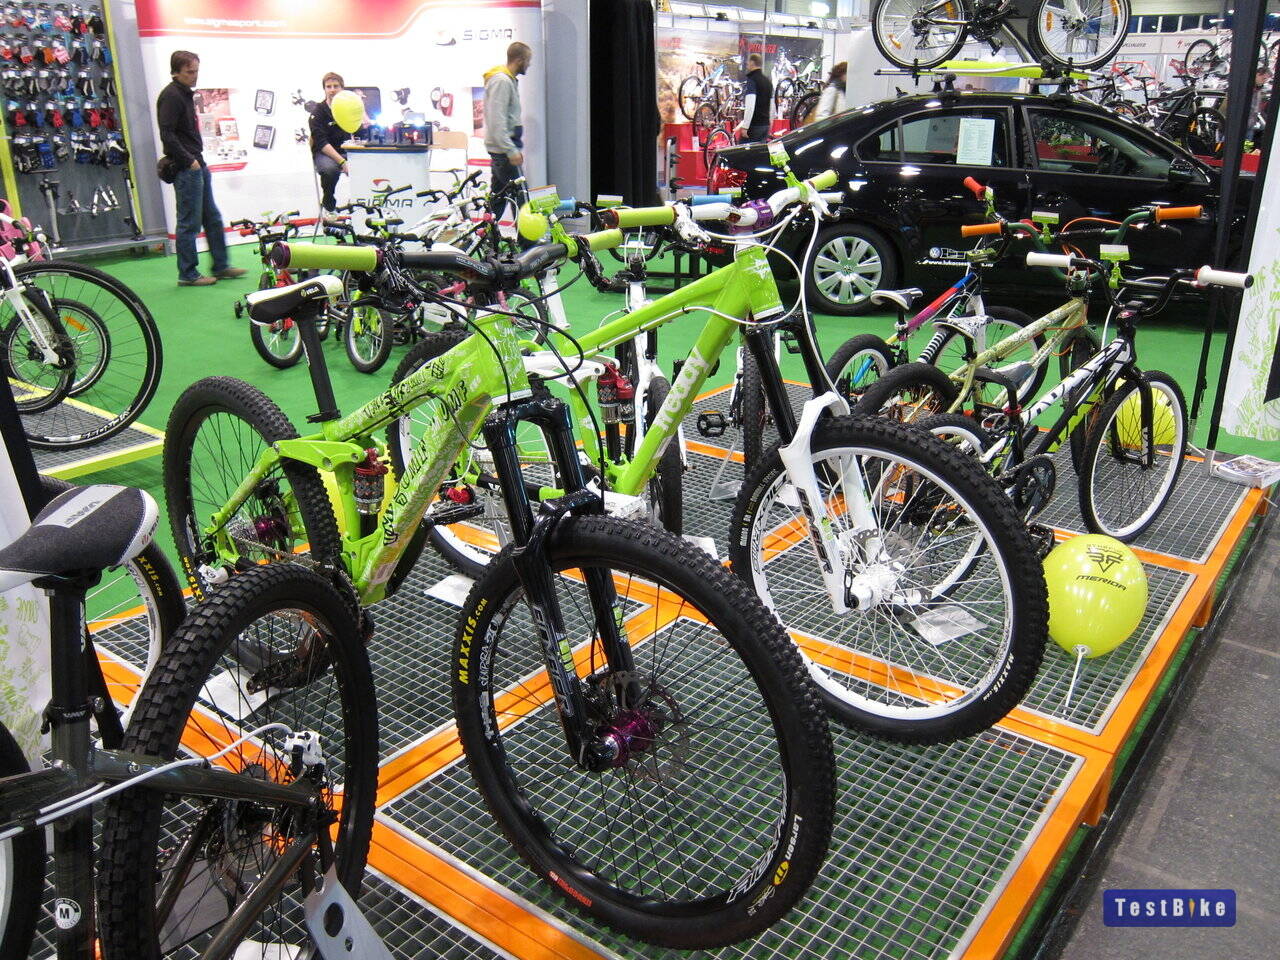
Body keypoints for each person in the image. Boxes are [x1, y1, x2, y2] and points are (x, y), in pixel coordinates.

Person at [155, 50, 245, 287]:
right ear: (176, 72)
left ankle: (221, 266)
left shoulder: (184, 94)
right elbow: (167, 134)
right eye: (189, 72)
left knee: (212, 218)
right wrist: (189, 161)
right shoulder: (171, 96)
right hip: (187, 167)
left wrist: (196, 162)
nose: (194, 76)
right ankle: (188, 274)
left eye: (196, 71)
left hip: (197, 164)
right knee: (189, 223)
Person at [483, 41, 532, 215]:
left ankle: (488, 230)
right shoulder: (502, 81)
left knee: (498, 198)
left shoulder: (506, 80)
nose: (529, 64)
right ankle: (526, 234)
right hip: (504, 152)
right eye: (528, 60)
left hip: (503, 151)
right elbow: (497, 121)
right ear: (519, 60)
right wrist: (511, 151)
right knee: (521, 198)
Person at [310, 72, 351, 216]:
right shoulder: (318, 112)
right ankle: (328, 204)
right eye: (328, 87)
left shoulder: (350, 108)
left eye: (336, 86)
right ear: (324, 89)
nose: (332, 90)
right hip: (325, 152)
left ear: (342, 88)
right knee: (329, 170)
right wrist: (342, 162)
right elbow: (321, 143)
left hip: (348, 149)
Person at [736, 53, 773, 143]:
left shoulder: (752, 80)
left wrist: (745, 126)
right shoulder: (768, 81)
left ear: (752, 62)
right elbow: (772, 105)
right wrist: (770, 122)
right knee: (760, 150)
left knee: (742, 149)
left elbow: (750, 105)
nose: (747, 64)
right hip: (765, 124)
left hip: (754, 125)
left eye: (748, 61)